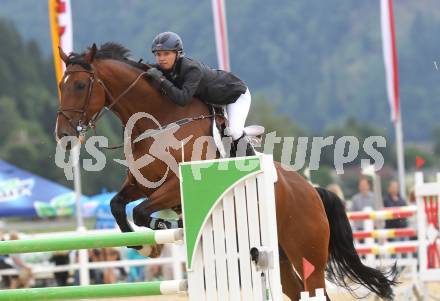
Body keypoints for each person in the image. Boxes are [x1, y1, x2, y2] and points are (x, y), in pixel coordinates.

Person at [145, 31, 254, 156]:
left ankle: (254, 163)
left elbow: (183, 99)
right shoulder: (166, 67)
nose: (162, 58)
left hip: (235, 95)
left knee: (234, 132)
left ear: (177, 54)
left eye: (166, 53)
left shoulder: (192, 69)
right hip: (215, 100)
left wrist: (161, 80)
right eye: (158, 54)